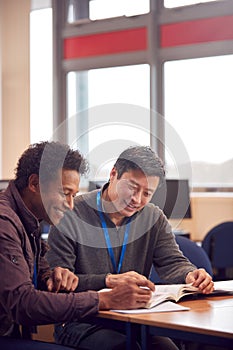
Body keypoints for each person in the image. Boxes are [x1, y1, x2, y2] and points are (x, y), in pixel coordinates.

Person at [47, 145, 214, 350]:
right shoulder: (71, 213)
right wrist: (108, 281)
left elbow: (172, 262)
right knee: (124, 347)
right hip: (82, 321)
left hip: (135, 319)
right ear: (114, 174)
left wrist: (191, 275)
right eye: (133, 187)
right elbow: (58, 282)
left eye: (147, 193)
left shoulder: (153, 217)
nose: (137, 199)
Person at [0, 141, 153, 350]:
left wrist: (52, 277)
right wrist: (103, 299)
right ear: (35, 183)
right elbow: (22, 304)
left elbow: (37, 275)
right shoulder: (4, 223)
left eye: (74, 195)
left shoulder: (28, 220)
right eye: (64, 193)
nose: (71, 205)